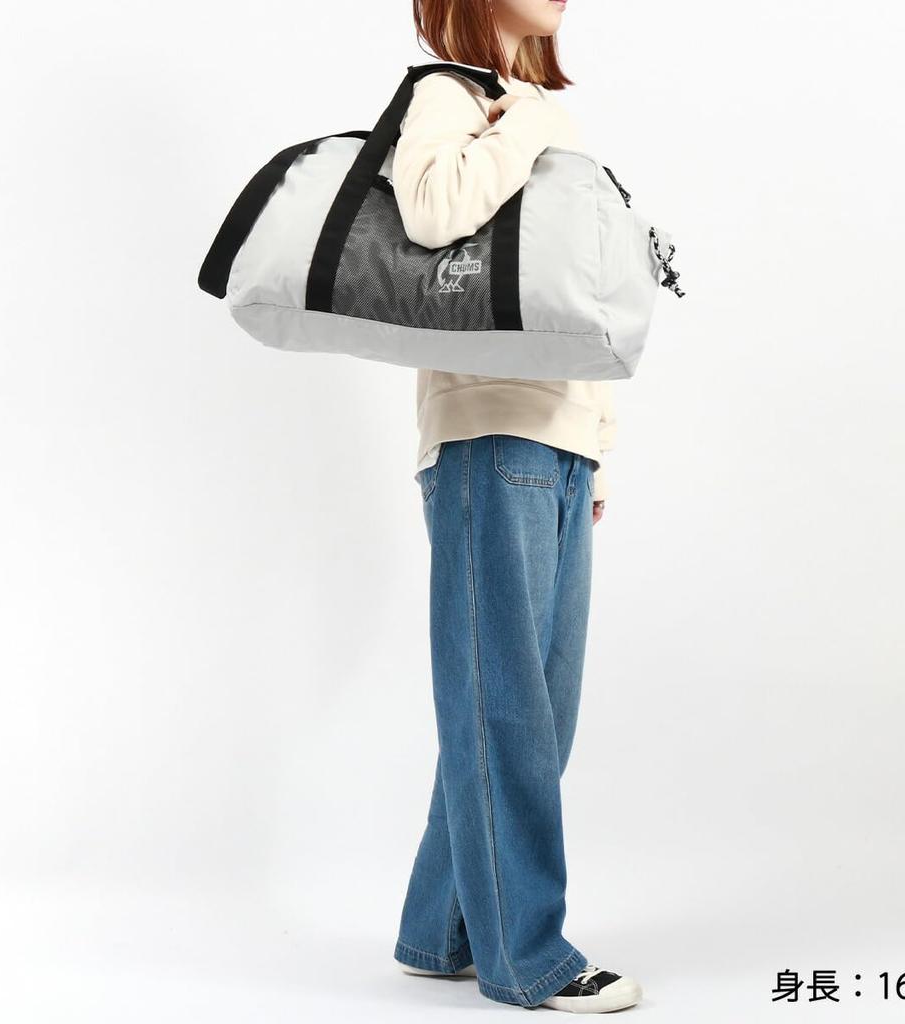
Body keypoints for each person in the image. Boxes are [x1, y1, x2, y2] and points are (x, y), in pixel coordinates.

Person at [390, 0, 642, 1013]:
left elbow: (568, 290)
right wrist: (527, 124)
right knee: (505, 712)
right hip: (488, 432)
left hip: (557, 442)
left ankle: (440, 929)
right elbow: (430, 212)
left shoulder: (530, 107)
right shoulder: (449, 95)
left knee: (534, 712)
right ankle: (525, 955)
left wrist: (595, 449)